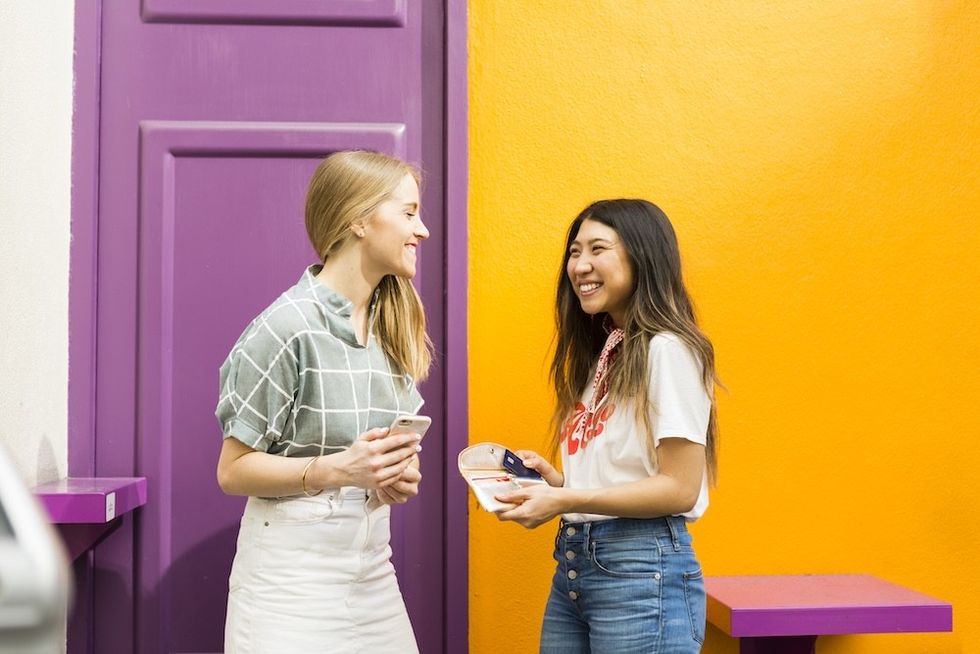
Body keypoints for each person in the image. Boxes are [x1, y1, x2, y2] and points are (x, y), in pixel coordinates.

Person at [214, 150, 432, 653]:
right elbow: (232, 470)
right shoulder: (285, 329)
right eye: (408, 212)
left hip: (373, 570)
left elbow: (371, 467)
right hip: (289, 586)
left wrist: (392, 480)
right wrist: (340, 470)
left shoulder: (391, 328)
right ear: (358, 218)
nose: (421, 231)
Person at [496, 199, 719, 653]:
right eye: (575, 252)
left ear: (643, 255)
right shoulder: (607, 351)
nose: (580, 265)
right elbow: (627, 474)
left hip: (640, 570)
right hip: (577, 565)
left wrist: (566, 497)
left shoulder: (669, 350)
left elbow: (679, 488)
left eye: (598, 249)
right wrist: (556, 484)